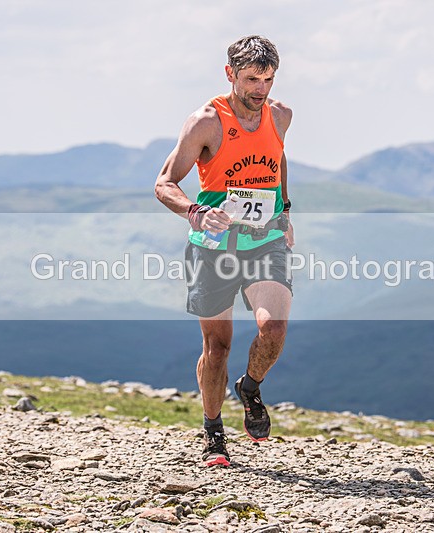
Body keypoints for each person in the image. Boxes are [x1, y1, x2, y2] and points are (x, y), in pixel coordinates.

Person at [154, 35, 294, 467]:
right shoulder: (206, 122)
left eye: (268, 79)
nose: (261, 89)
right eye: (252, 79)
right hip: (213, 249)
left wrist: (284, 209)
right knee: (218, 347)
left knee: (272, 330)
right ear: (230, 74)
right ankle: (213, 433)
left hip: (264, 242)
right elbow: (164, 183)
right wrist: (195, 212)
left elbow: (278, 157)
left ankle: (250, 387)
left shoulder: (280, 116)